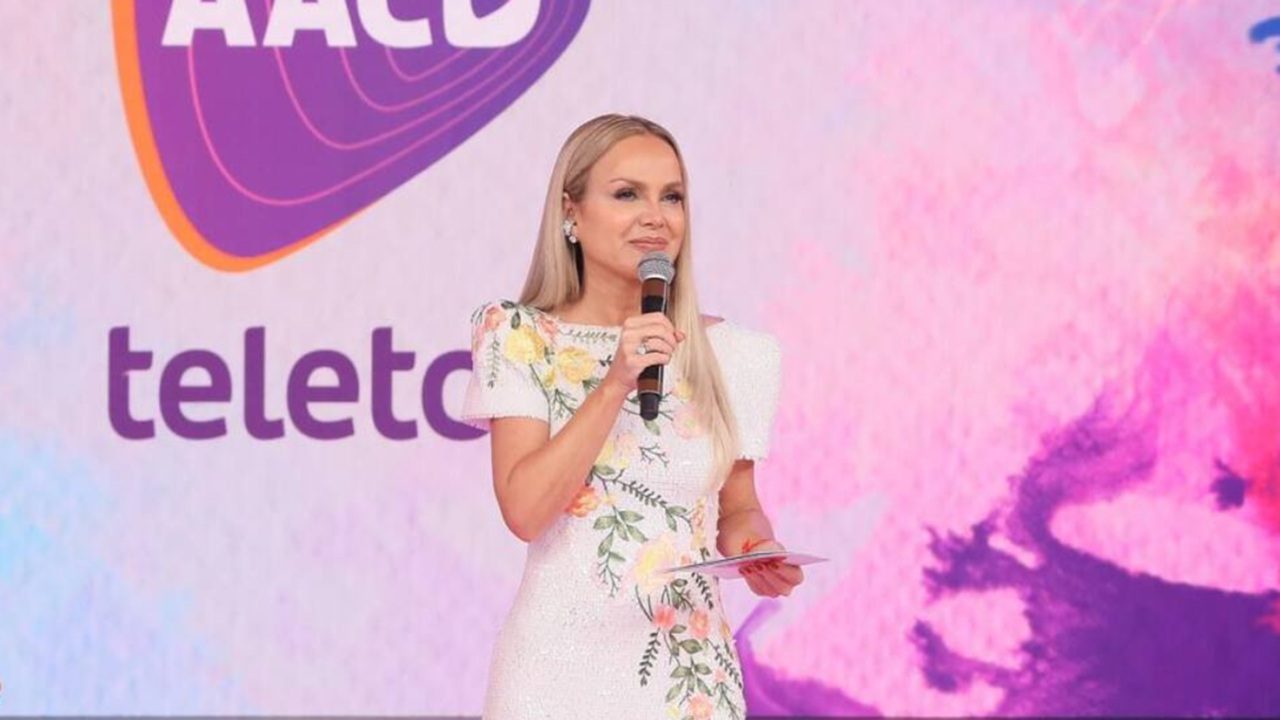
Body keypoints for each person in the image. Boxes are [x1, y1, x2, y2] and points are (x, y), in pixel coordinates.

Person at [460, 113, 803, 720]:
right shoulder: (519, 336)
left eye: (672, 196)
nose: (656, 216)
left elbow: (738, 507)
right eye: (627, 194)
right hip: (554, 676)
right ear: (571, 213)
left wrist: (754, 546)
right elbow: (525, 509)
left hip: (686, 675)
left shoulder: (737, 355)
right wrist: (617, 379)